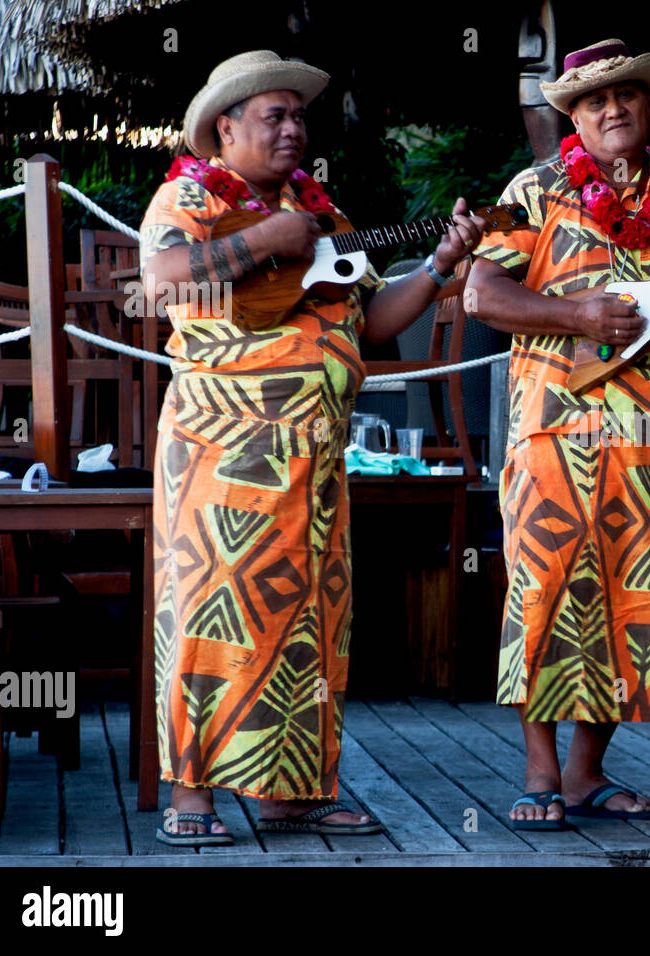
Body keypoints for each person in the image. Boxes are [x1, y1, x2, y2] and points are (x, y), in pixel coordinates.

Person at [140, 50, 486, 845]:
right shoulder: (187, 196)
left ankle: (290, 792)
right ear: (225, 129)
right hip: (223, 452)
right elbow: (160, 283)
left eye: (300, 116)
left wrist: (439, 267)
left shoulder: (324, 215)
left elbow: (368, 323)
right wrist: (267, 238)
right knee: (211, 613)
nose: (294, 128)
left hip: (318, 457)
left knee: (308, 622)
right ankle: (191, 794)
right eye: (276, 115)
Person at [465, 39, 650, 829]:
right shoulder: (536, 189)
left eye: (625, 94)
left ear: (649, 104)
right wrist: (577, 314)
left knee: (637, 598)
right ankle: (540, 771)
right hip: (552, 433)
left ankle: (589, 773)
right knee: (545, 594)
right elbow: (482, 295)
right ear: (573, 116)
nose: (612, 107)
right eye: (594, 100)